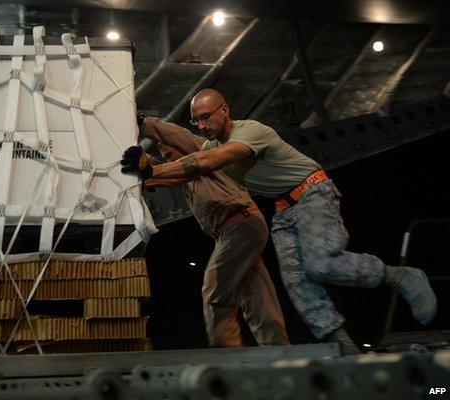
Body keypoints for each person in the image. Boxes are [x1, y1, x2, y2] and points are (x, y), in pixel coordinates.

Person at [121, 89, 437, 354]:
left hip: (312, 193)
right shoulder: (201, 154)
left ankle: (400, 276)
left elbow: (203, 158)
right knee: (297, 284)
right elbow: (177, 160)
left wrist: (149, 149)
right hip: (282, 210)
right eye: (196, 120)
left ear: (225, 110)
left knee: (320, 264)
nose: (202, 126)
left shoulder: (248, 132)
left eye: (206, 117)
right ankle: (339, 344)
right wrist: (145, 150)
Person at [127, 116, 290, 347]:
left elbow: (179, 137)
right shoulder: (184, 178)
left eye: (170, 153)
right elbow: (154, 172)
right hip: (238, 230)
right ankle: (279, 351)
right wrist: (138, 162)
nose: (166, 157)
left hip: (240, 224)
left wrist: (145, 123)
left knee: (215, 292)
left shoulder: (203, 152)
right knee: (257, 296)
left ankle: (227, 355)